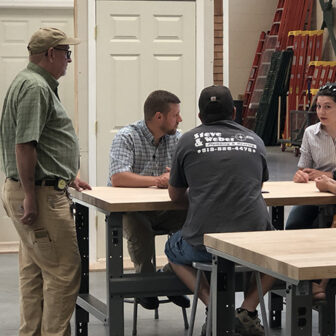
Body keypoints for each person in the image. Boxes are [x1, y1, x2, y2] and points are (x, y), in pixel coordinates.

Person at [0, 27, 91, 336]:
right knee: (64, 272)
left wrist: (67, 176)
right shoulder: (35, 87)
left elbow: (43, 142)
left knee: (35, 271)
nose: (68, 60)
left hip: (40, 188)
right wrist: (30, 194)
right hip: (39, 195)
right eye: (66, 53)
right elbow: (24, 145)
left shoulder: (31, 83)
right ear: (51, 54)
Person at [164, 85, 274, 336]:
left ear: (200, 116)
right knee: (279, 253)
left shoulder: (188, 140)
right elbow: (257, 185)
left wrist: (203, 191)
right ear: (234, 113)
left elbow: (175, 195)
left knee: (172, 247)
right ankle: (246, 310)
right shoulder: (255, 140)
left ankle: (212, 305)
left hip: (205, 242)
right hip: (253, 242)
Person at [108, 90, 190, 310]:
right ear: (159, 117)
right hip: (131, 211)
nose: (180, 120)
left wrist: (176, 177)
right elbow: (118, 177)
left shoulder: (178, 138)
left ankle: (171, 279)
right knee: (139, 225)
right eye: (176, 115)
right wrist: (159, 180)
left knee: (196, 218)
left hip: (165, 210)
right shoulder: (127, 136)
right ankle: (146, 285)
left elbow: (189, 173)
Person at [286, 83, 336, 302]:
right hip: (317, 192)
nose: (321, 112)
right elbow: (303, 168)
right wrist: (301, 176)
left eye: (328, 107)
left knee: (328, 228)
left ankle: (320, 280)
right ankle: (300, 279)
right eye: (318, 107)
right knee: (294, 224)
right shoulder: (310, 133)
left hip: (331, 190)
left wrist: (328, 176)